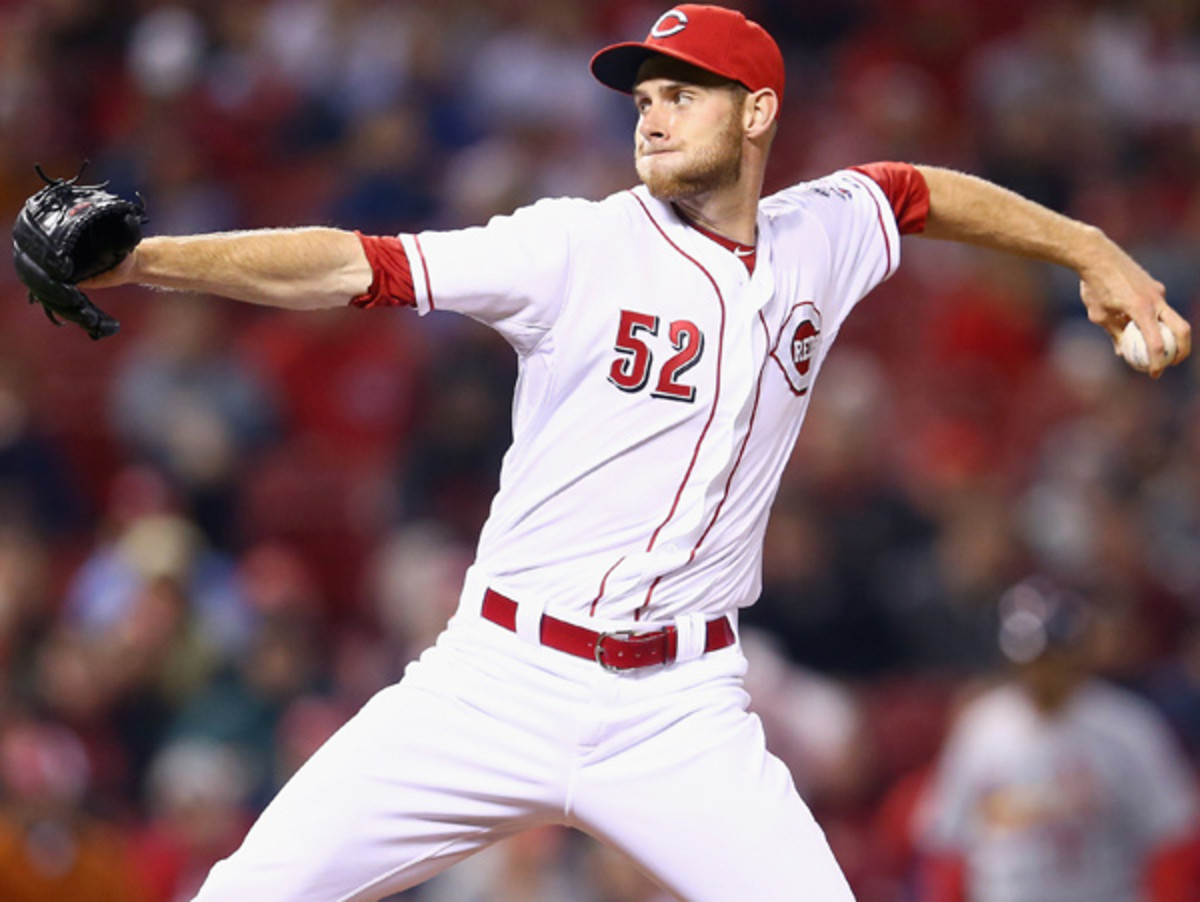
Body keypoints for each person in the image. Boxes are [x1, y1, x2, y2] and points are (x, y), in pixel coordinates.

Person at [80, 5, 1192, 899]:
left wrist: (1084, 245)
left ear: (757, 112)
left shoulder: (825, 232)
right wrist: (146, 261)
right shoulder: (573, 242)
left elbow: (922, 192)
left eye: (682, 93)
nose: (651, 117)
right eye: (644, 97)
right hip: (497, 679)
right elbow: (350, 263)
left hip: (680, 703)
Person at [913, 575, 1200, 901]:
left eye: (1052, 656)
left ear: (1077, 652)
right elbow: (946, 843)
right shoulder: (981, 727)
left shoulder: (1127, 725)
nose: (1043, 670)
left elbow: (1174, 835)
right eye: (1032, 660)